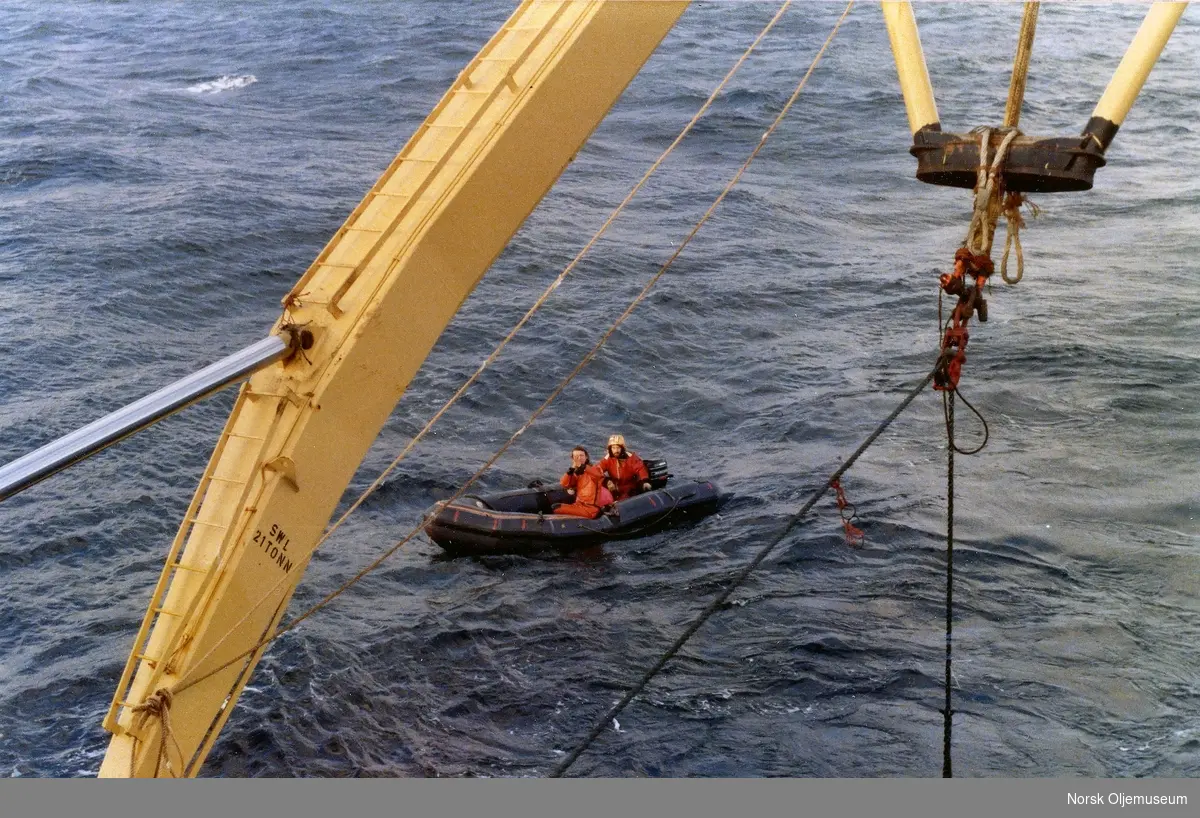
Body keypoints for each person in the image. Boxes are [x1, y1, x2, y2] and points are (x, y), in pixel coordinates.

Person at [552, 446, 607, 519]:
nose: (579, 458)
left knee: (556, 508)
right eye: (576, 456)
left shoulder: (595, 469)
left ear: (586, 457)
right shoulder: (576, 473)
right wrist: (571, 470)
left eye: (581, 455)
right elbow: (565, 484)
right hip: (578, 505)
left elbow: (599, 476)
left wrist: (583, 467)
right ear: (573, 459)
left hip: (591, 509)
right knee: (556, 507)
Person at [598, 434, 651, 502]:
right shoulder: (607, 459)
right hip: (614, 487)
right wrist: (607, 481)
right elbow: (597, 470)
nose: (616, 450)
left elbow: (640, 468)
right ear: (610, 449)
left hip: (629, 488)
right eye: (613, 448)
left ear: (622, 448)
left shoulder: (631, 457)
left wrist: (645, 481)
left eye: (618, 448)